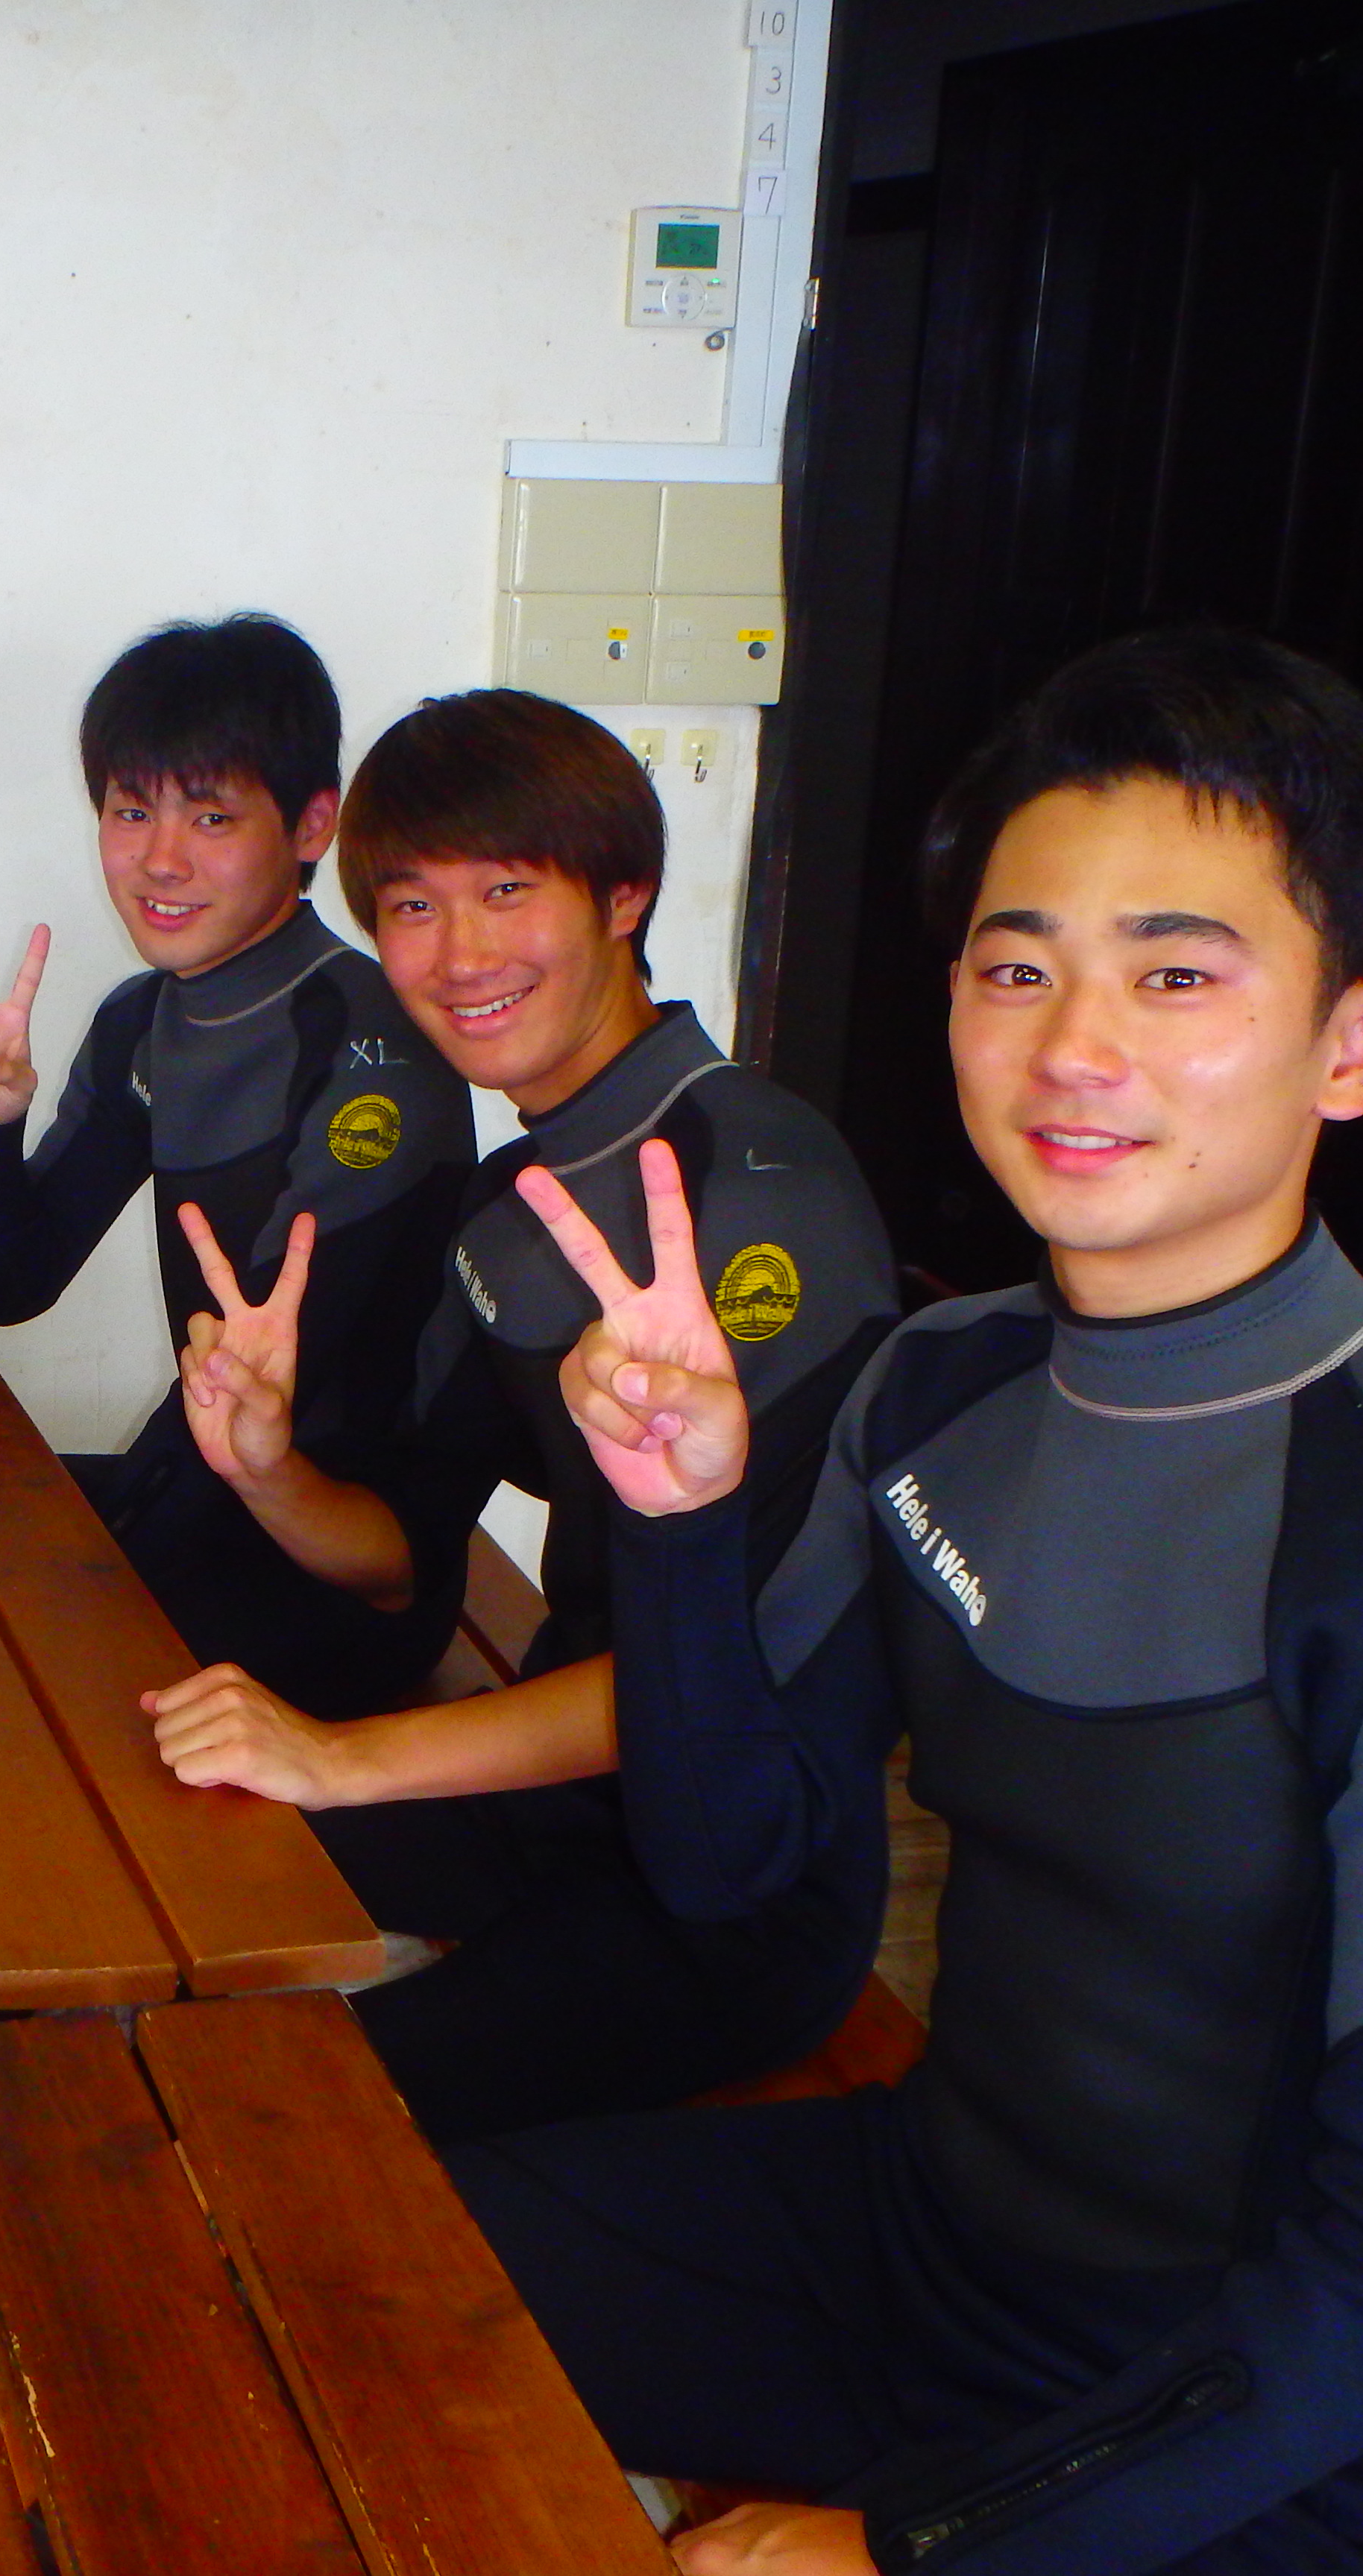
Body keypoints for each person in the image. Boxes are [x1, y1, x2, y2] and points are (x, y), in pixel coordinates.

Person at [453, 632, 1363, 2575]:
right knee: (319, 2271)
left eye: (1177, 975)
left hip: (1231, 2448)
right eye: (1018, 969)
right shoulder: (943, 1389)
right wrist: (679, 1525)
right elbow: (729, 1859)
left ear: (1360, 1040)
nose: (1074, 1047)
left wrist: (900, 2549)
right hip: (909, 2245)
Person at [142, 689, 897, 2138]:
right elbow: (406, 1559)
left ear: (624, 895)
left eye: (506, 891)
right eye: (411, 907)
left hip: (733, 1892)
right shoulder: (512, 1206)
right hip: (556, 1807)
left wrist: (338, 1758)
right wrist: (266, 1468)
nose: (459, 954)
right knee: (141, 1876)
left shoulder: (759, 1194)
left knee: (274, 2112)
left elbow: (728, 1682)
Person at [0, 614, 472, 1716]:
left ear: (313, 825)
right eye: (131, 810)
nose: (161, 860)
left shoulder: (366, 1046)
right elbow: (13, 1280)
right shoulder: (144, 1021)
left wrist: (92, 1581)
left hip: (338, 1574)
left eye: (212, 817)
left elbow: (287, 1390)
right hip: (198, 1489)